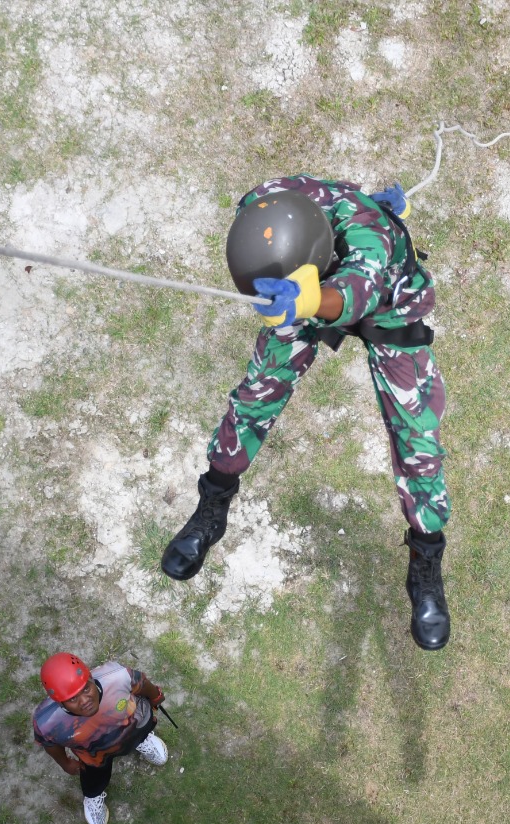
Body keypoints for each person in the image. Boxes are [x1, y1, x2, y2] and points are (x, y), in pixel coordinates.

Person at [160, 175, 452, 650]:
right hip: (300, 293)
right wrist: (290, 300)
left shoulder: (370, 239)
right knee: (256, 395)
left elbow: (356, 291)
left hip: (385, 305)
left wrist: (309, 298)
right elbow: (320, 197)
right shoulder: (267, 203)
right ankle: (213, 505)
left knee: (417, 439)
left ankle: (426, 555)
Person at [33, 652, 170, 824]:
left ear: (90, 677)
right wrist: (65, 763)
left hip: (134, 728)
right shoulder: (47, 722)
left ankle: (143, 741)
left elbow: (142, 684)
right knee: (94, 778)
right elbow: (49, 744)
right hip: (95, 756)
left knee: (141, 731)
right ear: (59, 702)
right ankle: (93, 795)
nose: (85, 701)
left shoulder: (118, 677)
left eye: (86, 689)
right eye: (72, 699)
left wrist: (156, 696)